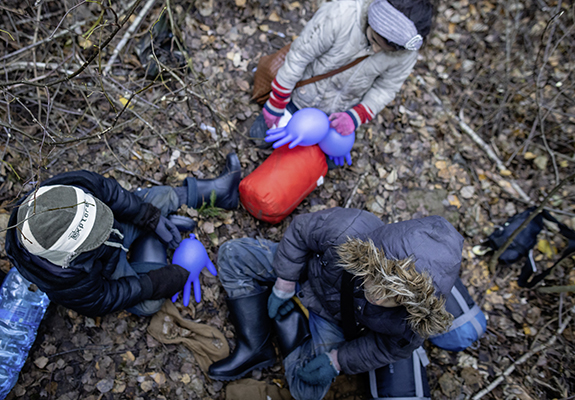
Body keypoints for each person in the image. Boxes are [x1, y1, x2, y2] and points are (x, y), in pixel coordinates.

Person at [208, 207, 463, 400]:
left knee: (306, 390)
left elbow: (387, 348)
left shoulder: (412, 321)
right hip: (308, 274)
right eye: (376, 279)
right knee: (233, 254)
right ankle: (255, 346)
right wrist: (284, 282)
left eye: (396, 298)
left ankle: (294, 324)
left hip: (335, 321)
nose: (378, 297)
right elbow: (300, 231)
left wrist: (336, 361)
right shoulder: (348, 230)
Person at [5, 153, 242, 317]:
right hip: (108, 269)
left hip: (121, 226)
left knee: (160, 198)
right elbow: (102, 299)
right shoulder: (61, 280)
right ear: (66, 257)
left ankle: (219, 192)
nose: (103, 229)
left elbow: (112, 194)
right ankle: (150, 248)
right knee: (150, 305)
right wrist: (152, 284)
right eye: (94, 234)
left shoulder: (67, 189)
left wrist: (151, 217)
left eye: (98, 216)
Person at [250, 0, 432, 159]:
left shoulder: (406, 53)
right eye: (374, 40)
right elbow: (300, 56)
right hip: (300, 95)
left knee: (328, 159)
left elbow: (385, 88)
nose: (376, 50)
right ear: (371, 20)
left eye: (386, 50)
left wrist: (355, 116)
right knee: (258, 137)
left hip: (337, 114)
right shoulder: (341, 15)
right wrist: (277, 101)